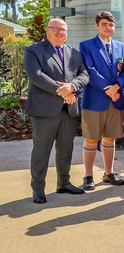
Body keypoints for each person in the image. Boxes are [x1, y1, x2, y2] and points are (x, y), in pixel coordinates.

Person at [25, 19, 90, 204]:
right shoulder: (34, 50)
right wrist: (62, 91)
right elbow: (36, 75)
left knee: (66, 149)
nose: (59, 33)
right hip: (44, 110)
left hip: (68, 110)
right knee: (41, 151)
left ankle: (64, 183)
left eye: (63, 30)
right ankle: (38, 188)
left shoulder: (74, 53)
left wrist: (72, 86)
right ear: (47, 31)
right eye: (55, 29)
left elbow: (84, 75)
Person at [79, 11, 124, 190]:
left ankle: (108, 173)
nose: (108, 28)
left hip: (115, 100)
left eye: (111, 25)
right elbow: (90, 71)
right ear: (97, 26)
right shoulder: (86, 45)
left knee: (109, 138)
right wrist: (109, 90)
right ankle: (88, 175)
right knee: (91, 139)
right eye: (104, 24)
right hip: (94, 99)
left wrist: (117, 87)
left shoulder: (121, 47)